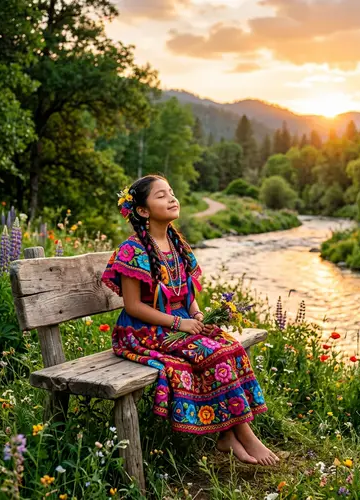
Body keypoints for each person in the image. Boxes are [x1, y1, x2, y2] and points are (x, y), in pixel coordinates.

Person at [101, 175, 279, 466]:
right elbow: (133, 306)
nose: (172, 198)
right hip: (142, 330)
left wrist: (196, 314)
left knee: (228, 346)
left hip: (178, 323)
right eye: (161, 195)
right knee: (211, 353)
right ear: (143, 211)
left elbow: (186, 294)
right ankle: (245, 435)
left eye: (171, 192)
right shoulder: (132, 251)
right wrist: (177, 323)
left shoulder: (177, 244)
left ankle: (227, 435)